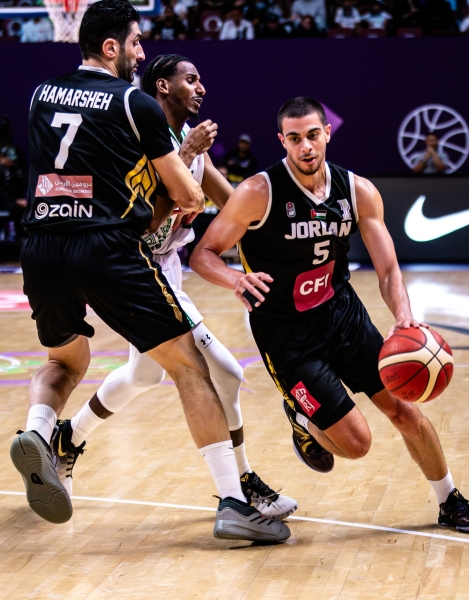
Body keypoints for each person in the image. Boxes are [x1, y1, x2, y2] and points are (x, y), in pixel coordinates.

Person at [11, 0, 289, 544]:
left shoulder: (41, 93)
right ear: (110, 46)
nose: (140, 53)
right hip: (111, 250)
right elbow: (188, 197)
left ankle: (43, 434)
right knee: (192, 370)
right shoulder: (135, 105)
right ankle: (235, 498)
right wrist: (182, 181)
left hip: (41, 245)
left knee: (68, 362)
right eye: (136, 42)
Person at [190, 97, 469, 534]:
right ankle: (302, 417)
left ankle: (449, 501)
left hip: (343, 316)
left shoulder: (357, 190)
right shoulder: (258, 192)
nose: (306, 147)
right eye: (295, 138)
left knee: (405, 411)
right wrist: (235, 279)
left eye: (313, 135)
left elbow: (388, 269)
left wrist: (404, 315)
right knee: (356, 444)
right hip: (287, 336)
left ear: (327, 133)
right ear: (282, 141)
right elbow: (203, 254)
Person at [57, 53, 298, 521]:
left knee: (144, 375)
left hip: (164, 269)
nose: (201, 87)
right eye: (191, 79)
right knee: (225, 374)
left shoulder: (191, 143)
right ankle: (243, 485)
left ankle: (69, 437)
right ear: (163, 86)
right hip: (133, 270)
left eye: (202, 79)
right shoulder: (135, 139)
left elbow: (235, 205)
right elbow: (144, 222)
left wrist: (283, 227)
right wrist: (185, 153)